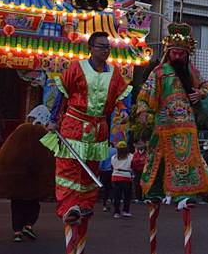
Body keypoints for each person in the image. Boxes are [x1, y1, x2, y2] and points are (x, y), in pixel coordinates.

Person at [41, 31, 131, 254]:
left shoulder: (115, 73)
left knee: (90, 171)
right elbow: (62, 94)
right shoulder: (77, 67)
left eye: (108, 47)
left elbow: (120, 97)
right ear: (91, 48)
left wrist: (123, 111)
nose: (106, 50)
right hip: (74, 125)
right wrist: (53, 120)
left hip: (98, 129)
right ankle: (70, 206)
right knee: (69, 169)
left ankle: (85, 205)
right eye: (101, 46)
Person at [136, 22, 208, 251]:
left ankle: (185, 195)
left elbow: (206, 86)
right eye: (174, 52)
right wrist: (143, 111)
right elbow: (144, 95)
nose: (178, 55)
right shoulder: (160, 72)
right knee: (158, 161)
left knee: (186, 159)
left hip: (186, 126)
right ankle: (155, 193)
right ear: (168, 52)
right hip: (164, 125)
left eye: (181, 53)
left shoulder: (191, 71)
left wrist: (200, 92)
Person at [0, 106, 55, 242]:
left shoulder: (20, 130)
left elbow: (7, 153)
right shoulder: (45, 135)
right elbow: (50, 157)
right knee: (33, 203)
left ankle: (17, 232)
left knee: (16, 204)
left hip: (17, 179)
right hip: (35, 179)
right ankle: (29, 225)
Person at [111, 140, 133, 218]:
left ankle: (116, 212)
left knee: (117, 196)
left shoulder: (114, 157)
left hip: (115, 176)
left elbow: (112, 165)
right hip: (126, 176)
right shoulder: (130, 156)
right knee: (127, 196)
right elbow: (133, 165)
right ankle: (125, 211)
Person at [99, 143, 117, 212]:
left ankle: (104, 204)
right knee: (112, 187)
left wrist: (100, 169)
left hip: (104, 172)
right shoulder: (115, 150)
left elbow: (101, 163)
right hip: (113, 171)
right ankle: (111, 199)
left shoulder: (104, 151)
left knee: (105, 188)